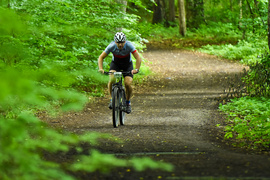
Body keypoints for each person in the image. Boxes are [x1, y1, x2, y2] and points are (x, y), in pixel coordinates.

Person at [98, 32, 142, 114]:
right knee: (111, 79)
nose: (120, 45)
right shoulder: (111, 46)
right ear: (115, 42)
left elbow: (138, 57)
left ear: (125, 41)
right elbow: (101, 57)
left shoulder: (129, 45)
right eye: (118, 43)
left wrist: (136, 69)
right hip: (116, 65)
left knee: (128, 83)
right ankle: (112, 99)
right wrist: (101, 69)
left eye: (122, 42)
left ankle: (128, 102)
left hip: (127, 65)